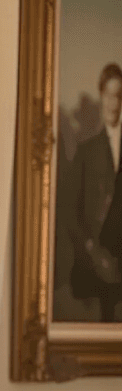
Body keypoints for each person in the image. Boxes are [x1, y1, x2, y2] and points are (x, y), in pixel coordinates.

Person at [69, 62, 122, 322]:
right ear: (102, 95)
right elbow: (71, 212)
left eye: (119, 95)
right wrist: (91, 250)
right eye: (110, 95)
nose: (114, 103)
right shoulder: (86, 151)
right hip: (95, 266)